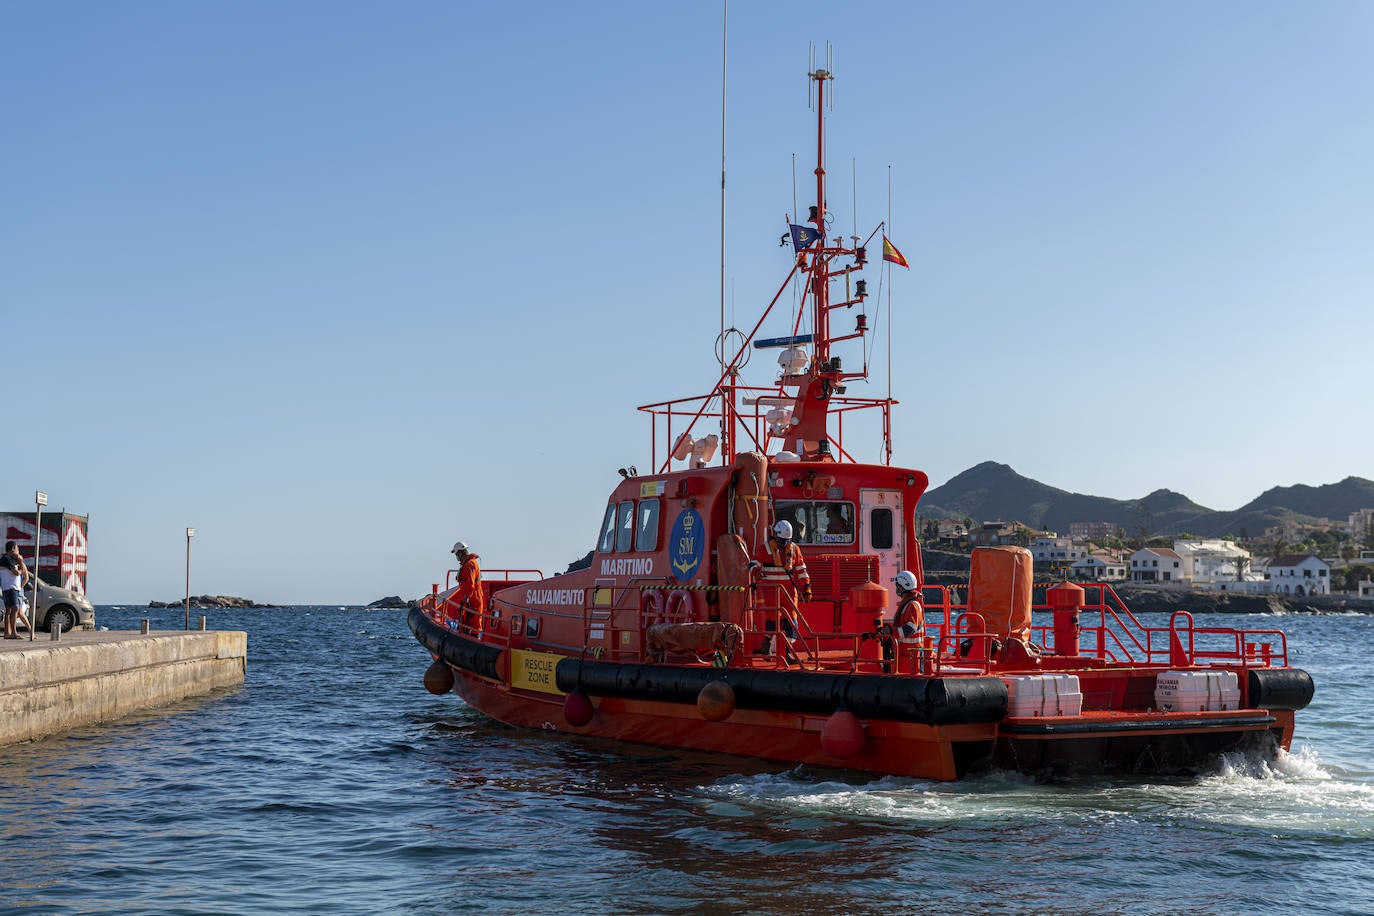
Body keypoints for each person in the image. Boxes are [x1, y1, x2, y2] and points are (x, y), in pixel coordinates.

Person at [767, 521, 812, 603]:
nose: (783, 544)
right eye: (781, 540)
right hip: (769, 592)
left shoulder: (795, 549)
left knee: (792, 615)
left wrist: (806, 587)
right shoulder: (765, 548)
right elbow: (754, 565)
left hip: (789, 591)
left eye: (785, 541)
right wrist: (756, 573)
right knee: (771, 615)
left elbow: (801, 569)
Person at [449, 541, 485, 626]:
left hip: (474, 598)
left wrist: (466, 597)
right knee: (468, 621)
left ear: (461, 553)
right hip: (470, 597)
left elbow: (470, 584)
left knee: (474, 622)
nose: (456, 557)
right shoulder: (466, 563)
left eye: (457, 554)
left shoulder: (470, 564)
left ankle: (474, 636)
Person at [1, 541, 31, 639]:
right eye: (17, 548)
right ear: (13, 548)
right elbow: (16, 573)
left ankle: (7, 633)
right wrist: (21, 565)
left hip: (11, 587)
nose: (18, 551)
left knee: (9, 610)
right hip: (10, 587)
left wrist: (20, 562)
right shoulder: (6, 558)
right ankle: (13, 632)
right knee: (15, 609)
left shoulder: (10, 559)